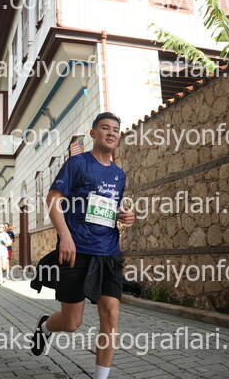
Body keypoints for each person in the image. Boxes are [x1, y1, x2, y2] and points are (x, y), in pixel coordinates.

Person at [29, 112, 135, 379]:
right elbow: (53, 199)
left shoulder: (119, 175)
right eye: (105, 128)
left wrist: (124, 215)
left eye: (115, 130)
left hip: (108, 252)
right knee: (71, 322)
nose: (111, 133)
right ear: (93, 133)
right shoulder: (77, 163)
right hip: (76, 250)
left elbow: (106, 208)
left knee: (111, 315)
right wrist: (65, 236)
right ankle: (46, 327)